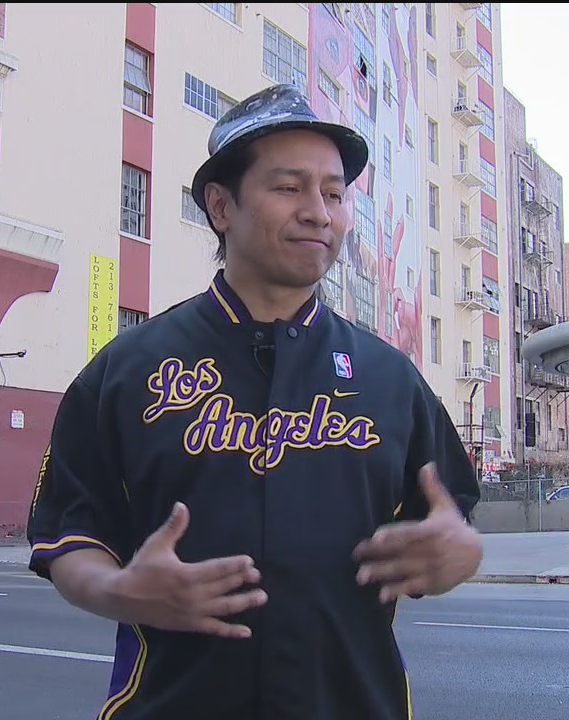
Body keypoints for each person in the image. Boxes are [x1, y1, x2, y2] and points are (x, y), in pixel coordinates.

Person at [26, 83, 484, 720]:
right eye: (289, 187)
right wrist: (122, 591)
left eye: (333, 193)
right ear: (221, 205)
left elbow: (451, 523)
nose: (318, 212)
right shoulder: (129, 371)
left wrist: (462, 551)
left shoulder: (389, 379)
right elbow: (70, 536)